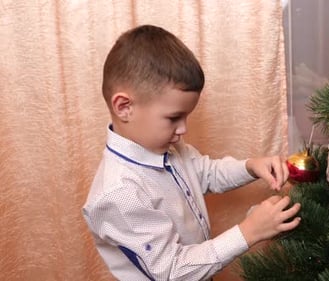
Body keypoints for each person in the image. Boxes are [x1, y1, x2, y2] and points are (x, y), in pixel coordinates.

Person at [82, 24, 301, 281]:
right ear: (124, 107)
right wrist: (249, 231)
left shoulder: (168, 147)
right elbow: (171, 271)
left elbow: (206, 173)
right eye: (174, 117)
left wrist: (251, 166)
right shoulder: (118, 194)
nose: (183, 129)